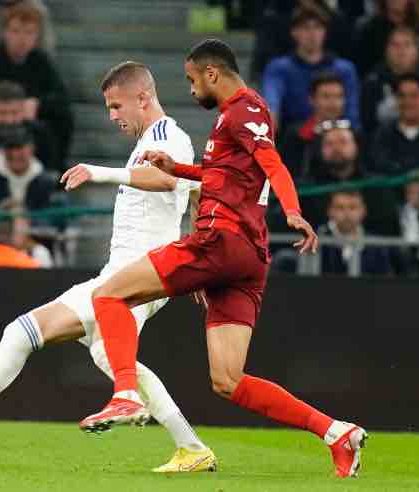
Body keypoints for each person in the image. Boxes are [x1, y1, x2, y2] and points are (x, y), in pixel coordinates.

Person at [0, 61, 219, 473]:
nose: (111, 116)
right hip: (125, 276)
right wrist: (200, 255)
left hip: (136, 277)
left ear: (142, 98)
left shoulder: (167, 135)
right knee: (107, 357)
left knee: (21, 333)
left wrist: (100, 172)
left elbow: (169, 181)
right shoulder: (154, 140)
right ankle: (192, 447)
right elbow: (198, 192)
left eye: (115, 106)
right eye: (107, 108)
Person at [79, 40, 367, 479]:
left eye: (193, 80)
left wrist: (293, 210)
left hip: (221, 241)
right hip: (248, 258)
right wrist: (175, 169)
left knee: (108, 295)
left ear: (212, 74)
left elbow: (273, 163)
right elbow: (223, 176)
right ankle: (336, 433)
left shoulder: (243, 109)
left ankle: (125, 394)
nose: (191, 90)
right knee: (228, 380)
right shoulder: (232, 121)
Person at [0, 2, 73, 166]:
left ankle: (56, 171)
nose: (21, 39)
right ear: (5, 33)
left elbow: (60, 97)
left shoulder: (42, 63)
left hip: (29, 124)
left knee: (63, 118)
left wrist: (37, 105)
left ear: (36, 37)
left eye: (28, 32)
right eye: (15, 31)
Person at [261, 6, 360, 130]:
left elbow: (352, 113)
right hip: (293, 135)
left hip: (335, 133)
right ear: (294, 32)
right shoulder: (278, 68)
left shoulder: (344, 69)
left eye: (318, 27)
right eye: (305, 27)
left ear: (325, 32)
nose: (312, 33)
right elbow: (272, 104)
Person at [361, 27, 419, 135]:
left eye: (407, 45)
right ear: (386, 50)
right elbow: (368, 123)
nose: (401, 50)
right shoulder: (373, 80)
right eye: (395, 45)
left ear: (417, 51)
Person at [0, 80, 58, 178]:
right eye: (2, 113)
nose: (9, 120)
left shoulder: (40, 132)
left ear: (23, 109)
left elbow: (51, 168)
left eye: (14, 113)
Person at [369, 74, 419, 176]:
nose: (408, 102)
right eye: (402, 96)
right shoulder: (382, 136)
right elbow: (378, 170)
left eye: (414, 96)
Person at [278, 71, 346, 179]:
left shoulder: (353, 134)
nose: (333, 103)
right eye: (326, 96)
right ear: (312, 100)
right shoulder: (296, 136)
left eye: (338, 96)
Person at [0, 123, 55, 211]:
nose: (15, 154)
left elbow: (52, 218)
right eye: (10, 148)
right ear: (2, 151)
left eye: (19, 148)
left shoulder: (46, 181)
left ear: (32, 148)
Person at [317, 191, 394, 276]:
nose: (347, 213)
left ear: (364, 210)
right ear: (330, 211)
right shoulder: (317, 242)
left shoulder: (376, 246)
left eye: (353, 207)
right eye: (340, 208)